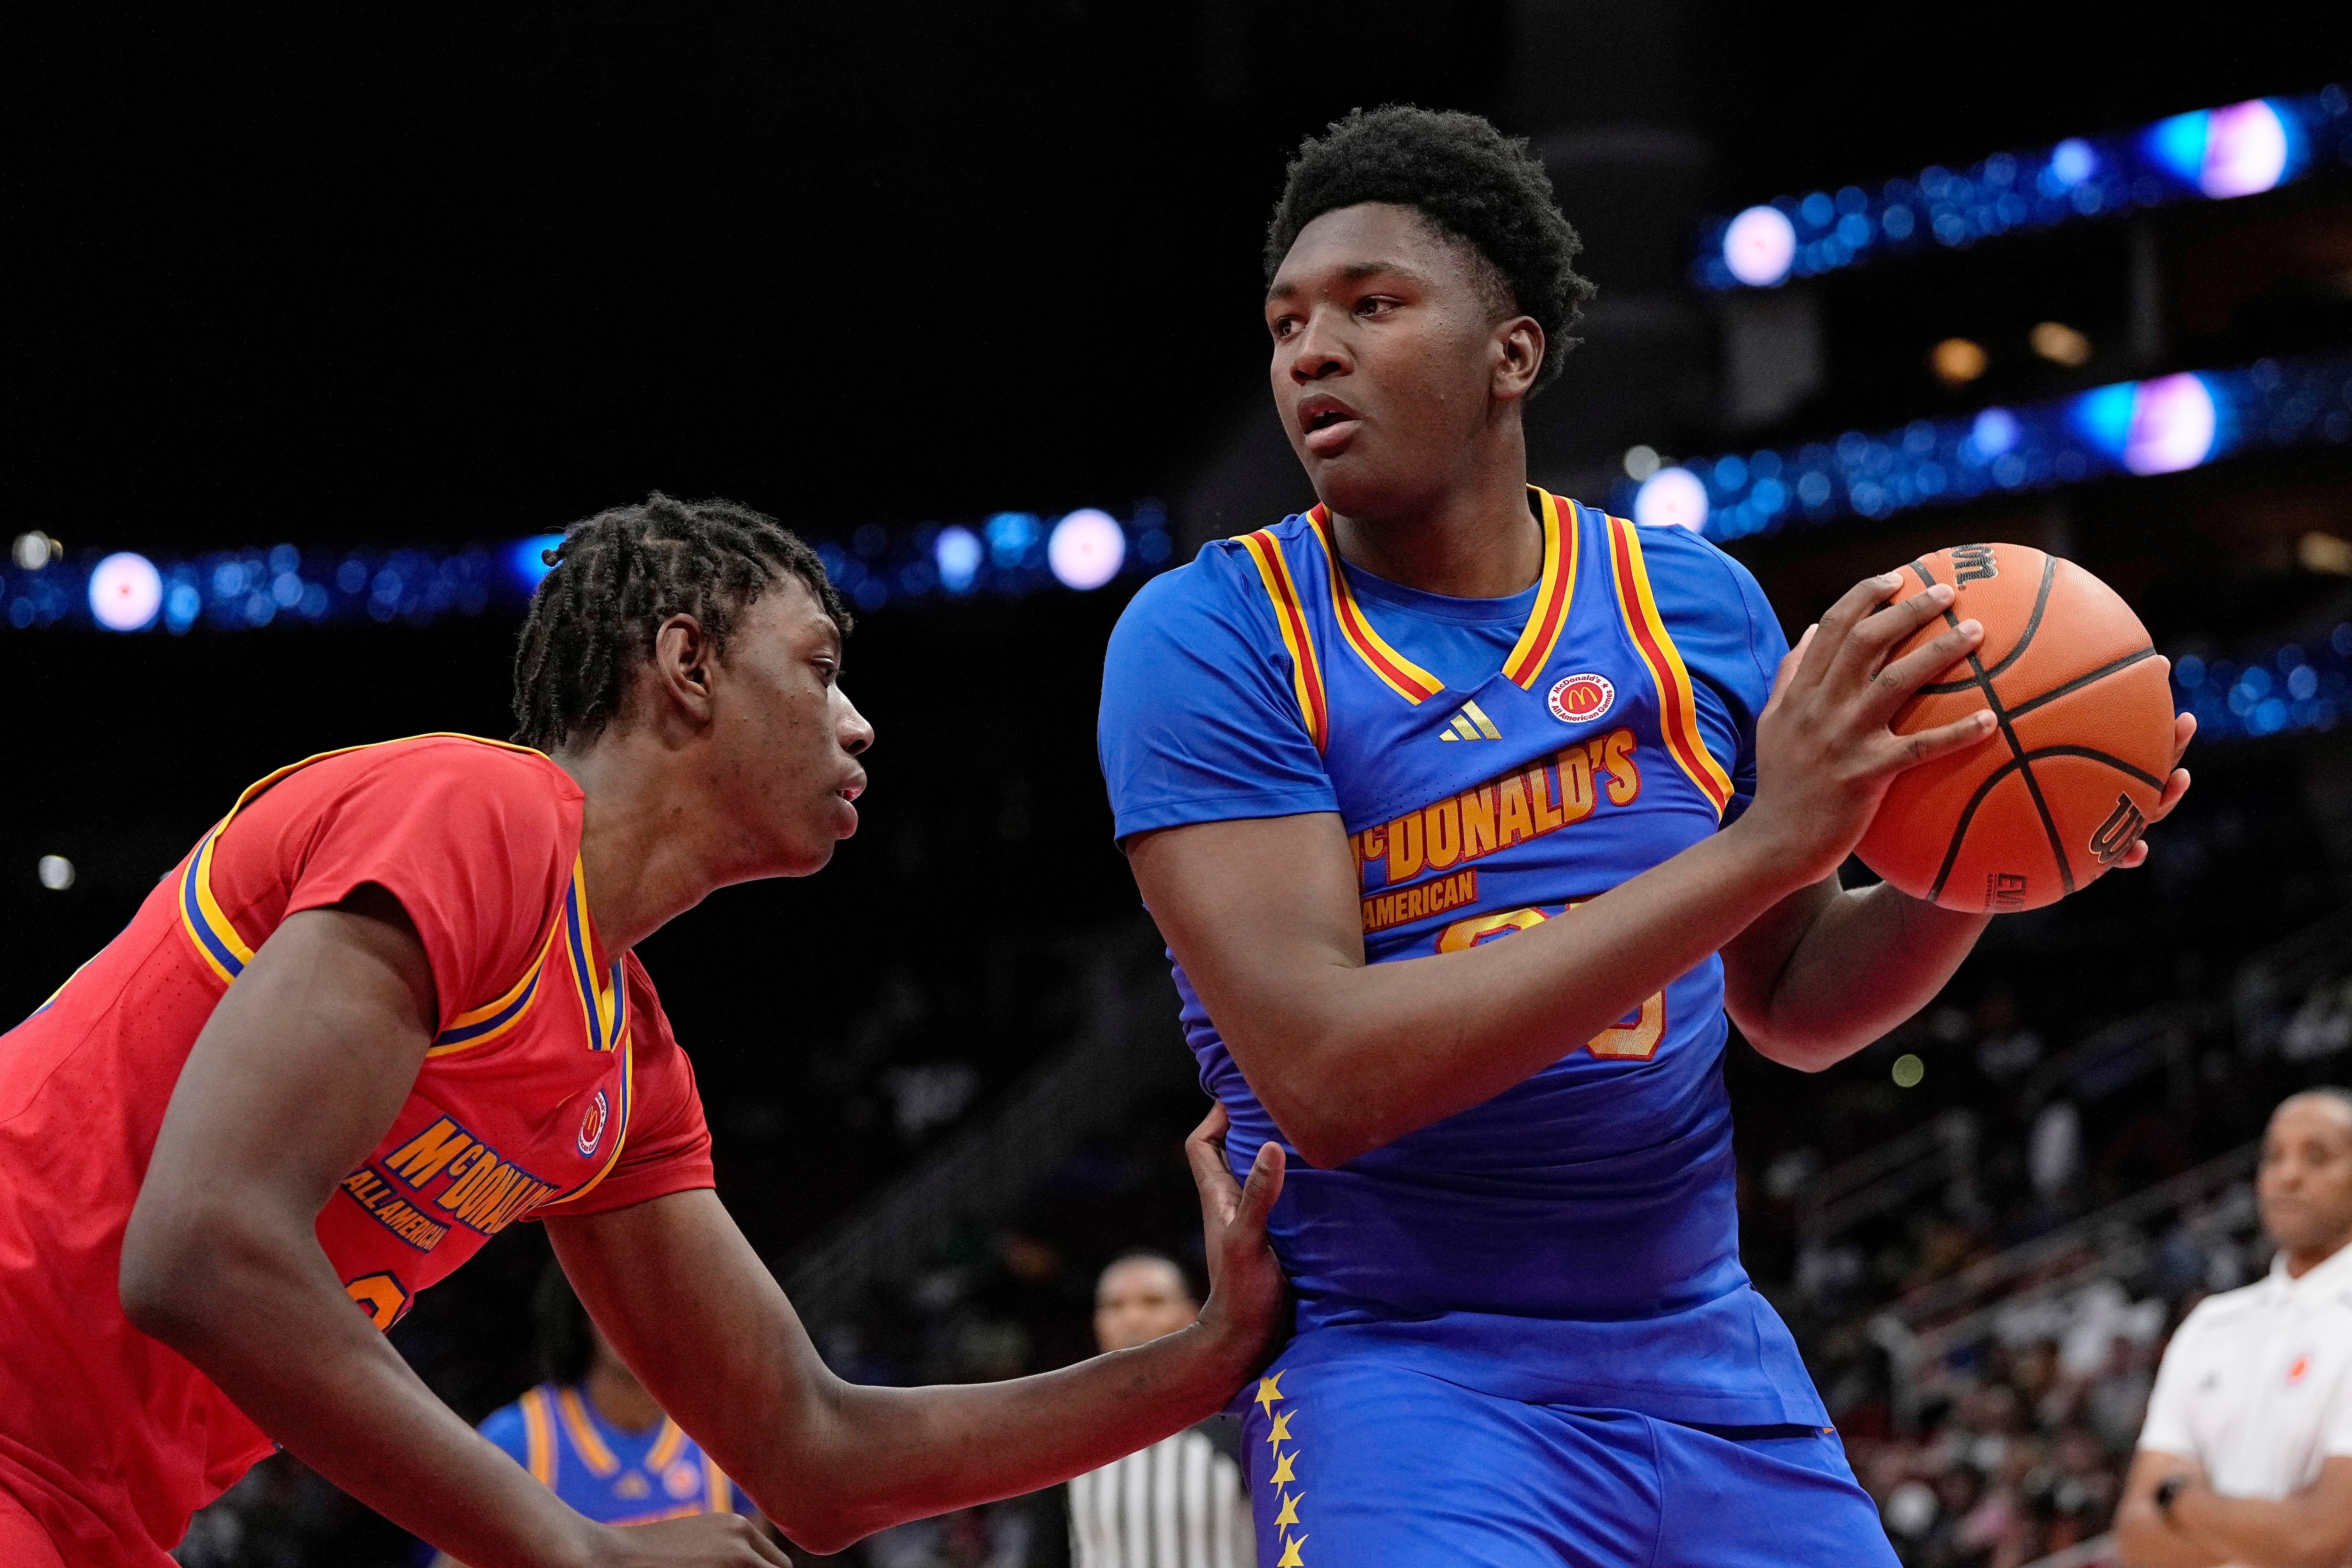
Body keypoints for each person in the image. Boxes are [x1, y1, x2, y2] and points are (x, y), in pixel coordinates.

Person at [1094, 106, 2195, 1566]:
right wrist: (1767, 845)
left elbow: (1791, 1002)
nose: (1310, 351)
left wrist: (1979, 846)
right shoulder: (1210, 634)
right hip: (1407, 1366)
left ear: (1512, 354)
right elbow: (1327, 1078)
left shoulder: (1697, 609)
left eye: (1372, 305)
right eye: (1287, 319)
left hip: (1697, 1350)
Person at [0, 493, 1287, 1568]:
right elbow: (202, 1246)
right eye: (822, 667)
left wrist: (1210, 1358)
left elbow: (815, 1453)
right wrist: (582, 1549)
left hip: (101, 1514)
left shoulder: (624, 1063)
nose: (861, 722)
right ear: (688, 664)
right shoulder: (476, 812)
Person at [2115, 1088, 2352, 1568]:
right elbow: (2136, 1540)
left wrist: (2179, 1500)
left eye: (2317, 1156)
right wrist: (2274, 1529)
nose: (2287, 1175)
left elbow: (2320, 1537)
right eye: (2273, 1156)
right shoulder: (2208, 1325)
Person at [429, 1264, 760, 1568]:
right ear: (584, 1310)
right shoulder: (519, 1438)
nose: (638, 1322)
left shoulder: (724, 1432)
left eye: (657, 1302)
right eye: (622, 1301)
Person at [1066, 1253, 1254, 1568]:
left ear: (1193, 1315)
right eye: (1115, 1306)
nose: (1133, 1318)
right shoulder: (1069, 1436)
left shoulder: (1238, 1424)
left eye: (1153, 1302)